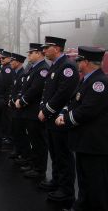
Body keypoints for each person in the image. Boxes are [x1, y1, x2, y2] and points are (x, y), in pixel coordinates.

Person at [55, 46, 108, 211]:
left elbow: (88, 110)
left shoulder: (99, 82)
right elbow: (73, 101)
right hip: (84, 141)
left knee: (96, 184)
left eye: (79, 60)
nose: (77, 63)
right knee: (84, 181)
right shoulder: (86, 79)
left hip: (94, 143)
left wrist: (66, 120)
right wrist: (64, 112)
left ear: (86, 62)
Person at [39, 36, 79, 202]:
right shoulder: (55, 65)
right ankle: (56, 181)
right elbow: (47, 90)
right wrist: (43, 107)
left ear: (56, 48)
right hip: (50, 118)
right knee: (54, 153)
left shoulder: (67, 66)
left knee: (63, 155)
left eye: (47, 47)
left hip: (59, 118)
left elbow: (63, 94)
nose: (44, 51)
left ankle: (66, 190)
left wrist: (46, 110)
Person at [15, 43, 50, 180]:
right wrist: (20, 98)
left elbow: (35, 89)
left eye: (31, 53)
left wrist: (22, 101)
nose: (28, 55)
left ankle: (39, 169)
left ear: (39, 53)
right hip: (29, 111)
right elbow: (25, 86)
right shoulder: (33, 68)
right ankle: (34, 164)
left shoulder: (42, 69)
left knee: (38, 141)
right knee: (33, 140)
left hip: (34, 110)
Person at [7, 53, 29, 162]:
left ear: (19, 62)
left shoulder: (23, 73)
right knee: (16, 130)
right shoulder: (16, 73)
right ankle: (18, 151)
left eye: (13, 61)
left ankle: (23, 154)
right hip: (14, 106)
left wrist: (13, 100)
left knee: (20, 132)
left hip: (19, 107)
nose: (11, 63)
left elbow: (21, 91)